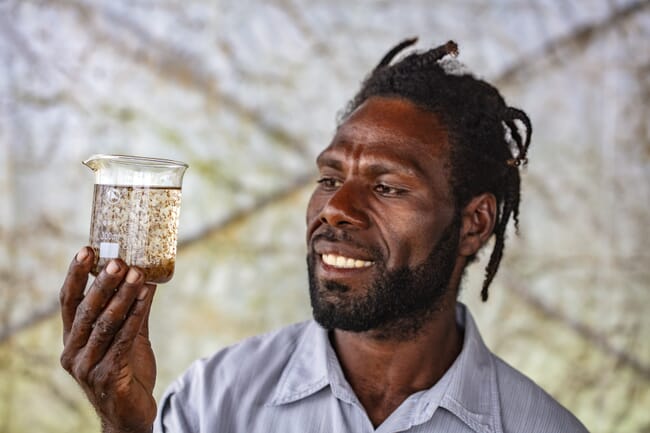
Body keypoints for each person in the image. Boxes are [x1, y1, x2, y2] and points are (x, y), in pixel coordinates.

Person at [60, 38, 590, 433]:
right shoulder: (216, 400)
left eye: (386, 187)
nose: (335, 208)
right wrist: (124, 424)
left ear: (474, 223)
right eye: (331, 178)